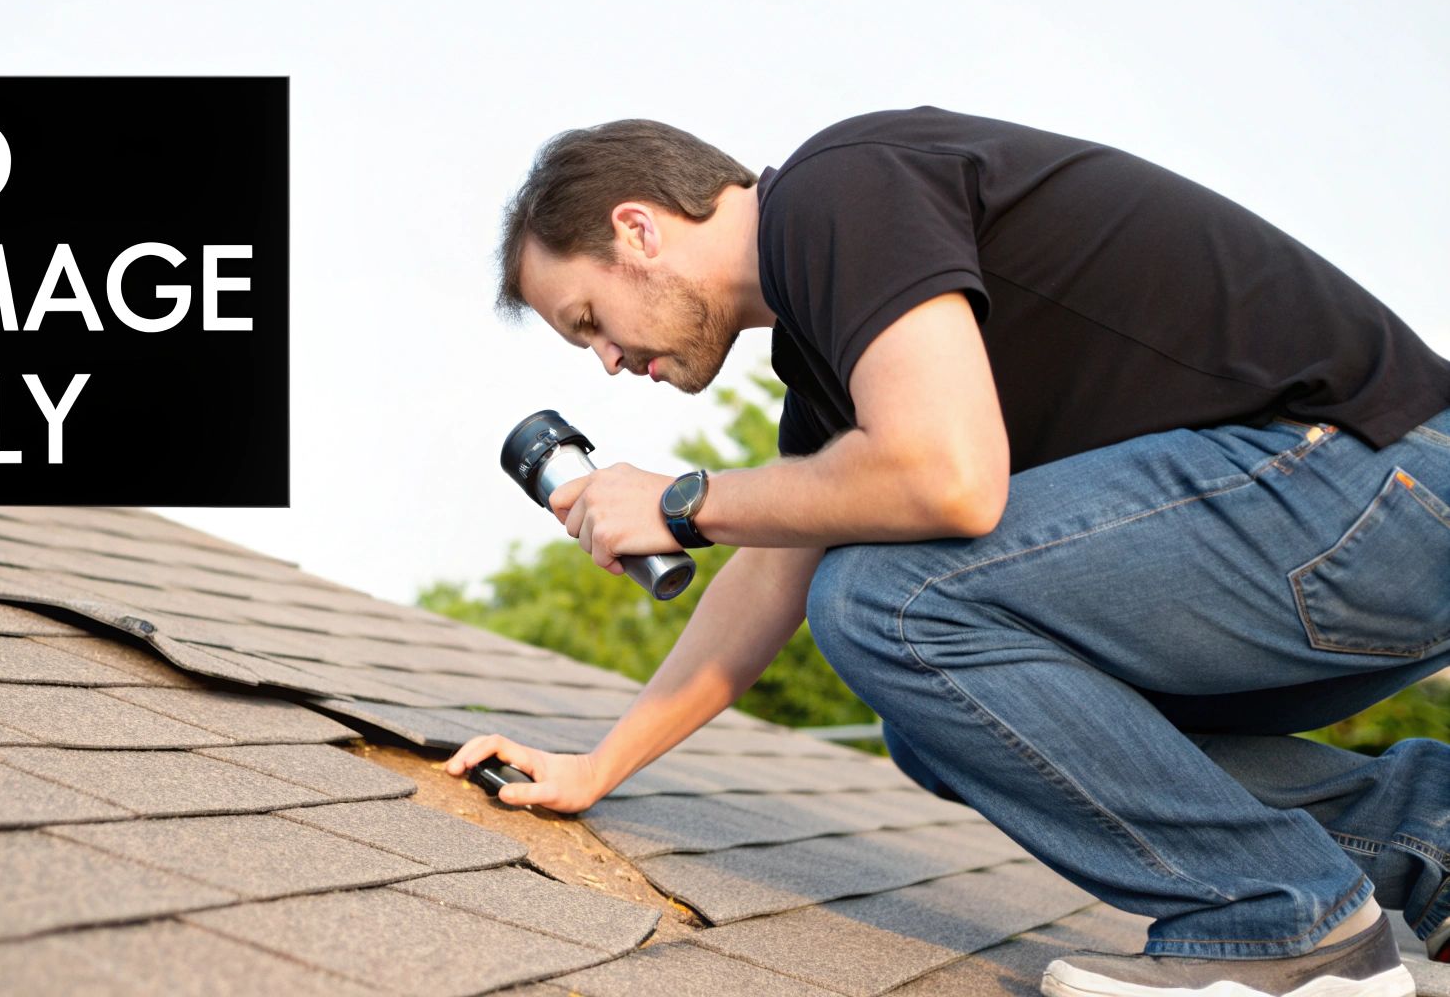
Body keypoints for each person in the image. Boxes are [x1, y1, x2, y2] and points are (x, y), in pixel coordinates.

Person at [444, 106, 1450, 997]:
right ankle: (1429, 831)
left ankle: (1284, 925)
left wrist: (681, 499)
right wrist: (595, 765)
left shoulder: (843, 189)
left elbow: (945, 479)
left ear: (636, 228)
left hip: (1376, 489)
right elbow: (772, 572)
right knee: (941, 719)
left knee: (886, 601)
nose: (611, 361)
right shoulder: (834, 358)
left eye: (589, 322)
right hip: (1341, 537)